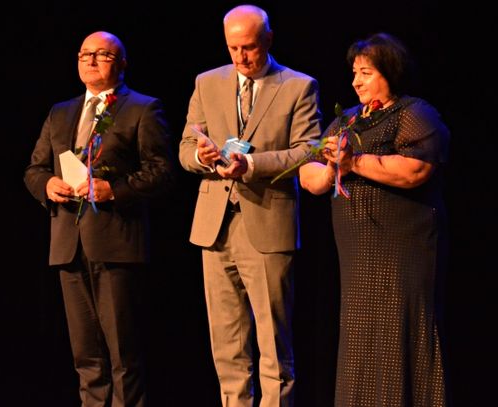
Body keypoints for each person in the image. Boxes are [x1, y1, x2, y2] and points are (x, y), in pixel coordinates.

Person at [179, 4, 322, 407]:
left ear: (269, 40)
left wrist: (252, 164)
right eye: (233, 48)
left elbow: (308, 151)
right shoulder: (207, 82)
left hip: (266, 225)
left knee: (274, 344)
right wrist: (201, 158)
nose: (241, 57)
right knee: (227, 344)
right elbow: (186, 148)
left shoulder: (298, 86)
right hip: (215, 227)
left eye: (250, 48)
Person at [299, 32, 451, 406]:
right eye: (354, 73)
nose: (355, 81)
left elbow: (415, 171)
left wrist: (354, 163)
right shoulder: (347, 121)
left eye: (365, 72)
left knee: (400, 331)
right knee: (362, 336)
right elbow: (311, 178)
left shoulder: (413, 113)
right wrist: (333, 164)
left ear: (389, 72)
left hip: (403, 249)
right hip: (359, 256)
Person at [24, 31, 174, 407]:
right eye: (85, 54)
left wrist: (115, 190)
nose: (91, 60)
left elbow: (161, 172)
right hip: (68, 246)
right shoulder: (60, 112)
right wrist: (48, 185)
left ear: (121, 64)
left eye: (102, 54)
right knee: (85, 356)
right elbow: (34, 169)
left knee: (124, 356)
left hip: (116, 245)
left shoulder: (142, 108)